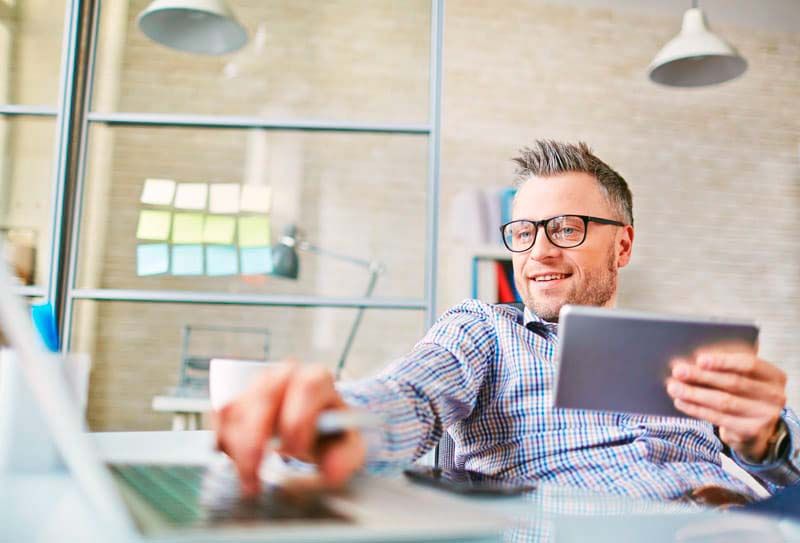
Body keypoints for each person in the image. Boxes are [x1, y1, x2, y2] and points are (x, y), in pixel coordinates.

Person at [215, 140, 799, 501]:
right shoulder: (484, 331)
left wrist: (765, 438)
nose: (538, 252)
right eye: (523, 233)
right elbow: (412, 394)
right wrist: (339, 419)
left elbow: (785, 469)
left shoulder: (689, 353)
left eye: (566, 229)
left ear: (622, 246)